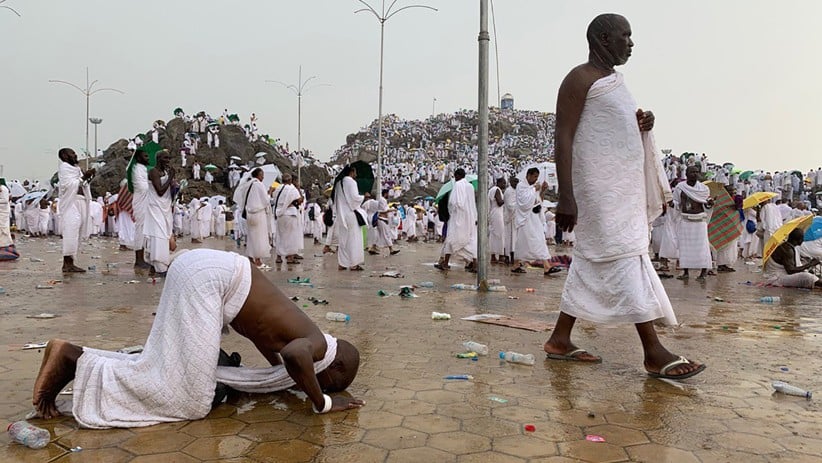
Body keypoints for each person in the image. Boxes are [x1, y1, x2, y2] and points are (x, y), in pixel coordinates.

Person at [31, 249, 364, 427]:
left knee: (161, 363)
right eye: (330, 383)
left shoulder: (302, 333)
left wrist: (274, 382)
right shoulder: (318, 343)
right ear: (334, 367)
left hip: (200, 269)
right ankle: (75, 361)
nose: (322, 384)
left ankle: (73, 356)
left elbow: (276, 353)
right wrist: (323, 402)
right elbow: (296, 357)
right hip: (210, 281)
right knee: (190, 399)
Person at [544, 14, 705, 380]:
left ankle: (559, 339)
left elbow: (612, 129)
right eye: (625, 36)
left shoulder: (615, 83)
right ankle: (653, 351)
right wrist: (566, 196)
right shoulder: (579, 78)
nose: (631, 43)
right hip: (598, 191)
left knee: (594, 258)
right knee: (624, 256)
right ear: (603, 39)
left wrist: (644, 122)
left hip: (621, 190)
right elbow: (564, 136)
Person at [511, 168, 555, 275]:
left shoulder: (532, 187)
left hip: (534, 218)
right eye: (534, 176)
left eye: (537, 177)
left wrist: (543, 190)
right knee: (533, 240)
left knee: (531, 241)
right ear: (528, 175)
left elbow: (539, 201)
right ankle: (546, 266)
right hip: (526, 218)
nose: (536, 179)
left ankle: (517, 264)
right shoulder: (521, 186)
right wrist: (534, 189)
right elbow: (524, 203)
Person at [673, 166, 714, 281]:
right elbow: (676, 203)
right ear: (686, 174)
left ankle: (703, 272)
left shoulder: (704, 189)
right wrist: (671, 203)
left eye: (696, 172)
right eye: (692, 172)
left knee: (702, 247)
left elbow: (706, 204)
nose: (694, 174)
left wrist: (710, 203)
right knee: (685, 247)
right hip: (685, 220)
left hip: (699, 221)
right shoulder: (680, 187)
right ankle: (685, 272)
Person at [58, 148, 94, 273]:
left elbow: (82, 184)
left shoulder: (77, 169)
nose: (75, 155)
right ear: (64, 155)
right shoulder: (64, 167)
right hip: (70, 203)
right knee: (70, 230)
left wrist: (88, 177)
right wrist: (84, 177)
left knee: (77, 232)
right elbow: (67, 185)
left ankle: (71, 263)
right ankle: (67, 263)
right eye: (72, 153)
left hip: (81, 201)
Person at [435, 168, 478, 272]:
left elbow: (454, 203)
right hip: (470, 217)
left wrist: (450, 212)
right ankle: (475, 264)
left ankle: (445, 263)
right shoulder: (470, 186)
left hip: (458, 217)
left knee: (451, 239)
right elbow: (472, 204)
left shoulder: (458, 185)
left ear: (457, 176)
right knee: (470, 240)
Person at [144, 150, 176, 276]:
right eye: (165, 158)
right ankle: (159, 266)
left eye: (169, 158)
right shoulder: (153, 172)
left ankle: (155, 266)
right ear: (158, 159)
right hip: (155, 207)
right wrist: (170, 178)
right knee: (158, 234)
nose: (167, 161)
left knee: (165, 234)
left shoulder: (165, 172)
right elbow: (160, 191)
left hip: (165, 206)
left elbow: (168, 189)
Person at [333, 165, 366, 271]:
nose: (356, 175)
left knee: (343, 240)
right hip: (351, 213)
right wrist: (364, 196)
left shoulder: (339, 183)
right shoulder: (351, 182)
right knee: (354, 239)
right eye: (355, 172)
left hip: (342, 214)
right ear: (351, 172)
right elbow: (354, 199)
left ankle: (342, 263)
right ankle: (353, 263)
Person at [237, 168, 272, 268]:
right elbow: (265, 201)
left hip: (249, 213)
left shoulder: (248, 185)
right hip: (258, 213)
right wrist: (269, 193)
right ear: (258, 175)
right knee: (259, 237)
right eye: (262, 175)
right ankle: (258, 260)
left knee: (252, 237)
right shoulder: (259, 185)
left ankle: (251, 258)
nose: (263, 177)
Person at [273, 174, 304, 265]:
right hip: (290, 214)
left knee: (280, 235)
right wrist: (298, 190)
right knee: (290, 236)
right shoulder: (292, 189)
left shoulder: (278, 188)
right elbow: (299, 200)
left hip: (280, 214)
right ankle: (290, 257)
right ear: (290, 180)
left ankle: (278, 257)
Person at [129, 148, 152, 270]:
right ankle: (138, 260)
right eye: (145, 156)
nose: (148, 158)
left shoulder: (144, 169)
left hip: (146, 203)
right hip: (140, 203)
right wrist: (154, 183)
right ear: (138, 158)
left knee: (146, 231)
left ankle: (144, 257)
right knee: (141, 230)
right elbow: (142, 187)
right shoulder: (136, 168)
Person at [0, 178, 20, 260]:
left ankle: (5, 244)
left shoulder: (4, 189)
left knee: (3, 228)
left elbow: (5, 200)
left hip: (3, 211)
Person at [489, 177, 506, 264]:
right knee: (499, 234)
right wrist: (506, 199)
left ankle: (493, 256)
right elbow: (499, 202)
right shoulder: (497, 189)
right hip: (497, 214)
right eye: (503, 183)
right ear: (499, 183)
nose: (505, 185)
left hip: (493, 213)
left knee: (494, 234)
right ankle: (500, 255)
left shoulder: (492, 189)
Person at [503, 176, 519, 265]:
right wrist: (518, 206)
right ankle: (508, 256)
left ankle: (513, 256)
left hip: (514, 217)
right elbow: (510, 205)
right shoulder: (509, 191)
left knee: (514, 239)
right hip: (510, 218)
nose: (516, 184)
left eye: (517, 182)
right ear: (511, 182)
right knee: (509, 238)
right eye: (515, 182)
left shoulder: (515, 191)